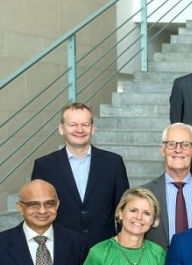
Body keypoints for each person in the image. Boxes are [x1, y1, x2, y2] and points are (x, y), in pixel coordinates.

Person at [31, 102, 130, 250]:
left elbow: (124, 209)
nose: (79, 130)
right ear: (61, 129)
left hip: (105, 250)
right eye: (72, 125)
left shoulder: (113, 163)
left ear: (93, 129)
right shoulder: (45, 166)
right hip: (60, 249)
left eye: (85, 124)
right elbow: (36, 212)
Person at [140, 122, 192, 249]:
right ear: (162, 150)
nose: (178, 149)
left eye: (185, 144)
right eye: (171, 144)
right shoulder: (145, 193)